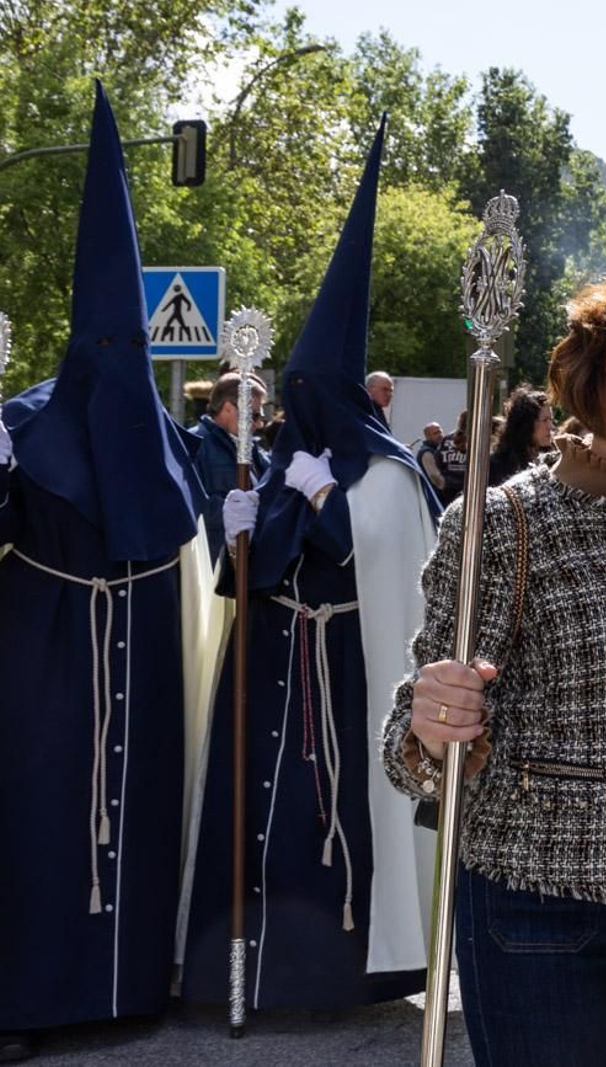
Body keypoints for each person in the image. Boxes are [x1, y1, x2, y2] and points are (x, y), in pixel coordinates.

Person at [383, 261, 606, 1066]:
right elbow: (410, 752)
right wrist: (430, 718)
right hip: (537, 915)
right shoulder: (502, 523)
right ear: (598, 362)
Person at [181, 121, 440, 1012]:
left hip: (342, 681)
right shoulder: (289, 460)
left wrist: (330, 504)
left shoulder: (391, 473)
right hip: (273, 677)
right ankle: (256, 976)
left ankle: (337, 977)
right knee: (267, 825)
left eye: (307, 396)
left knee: (334, 826)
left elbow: (396, 572)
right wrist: (243, 530)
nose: (295, 410)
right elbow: (252, 578)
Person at [0, 84, 212, 1062]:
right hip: (41, 664)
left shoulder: (164, 433)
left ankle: (129, 981)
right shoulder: (24, 420)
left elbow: (188, 532)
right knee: (38, 817)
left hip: (140, 669)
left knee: (134, 815)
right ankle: (29, 993)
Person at [190, 371, 269, 565]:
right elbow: (193, 506)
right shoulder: (194, 445)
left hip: (250, 559)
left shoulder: (249, 446)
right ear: (227, 408)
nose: (258, 424)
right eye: (254, 415)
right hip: (216, 563)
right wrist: (237, 511)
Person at [485, 385, 555, 487]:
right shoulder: (496, 466)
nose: (550, 426)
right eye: (545, 420)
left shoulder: (553, 462)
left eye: (551, 419)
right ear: (527, 425)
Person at [436, 409, 470, 507]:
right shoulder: (477, 439)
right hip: (468, 485)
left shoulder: (447, 439)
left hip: (449, 486)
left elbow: (438, 460)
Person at [417, 421, 447, 494]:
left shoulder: (441, 449)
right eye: (435, 433)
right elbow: (434, 476)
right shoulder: (427, 453)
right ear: (428, 436)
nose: (440, 435)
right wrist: (448, 489)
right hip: (435, 495)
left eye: (440, 432)